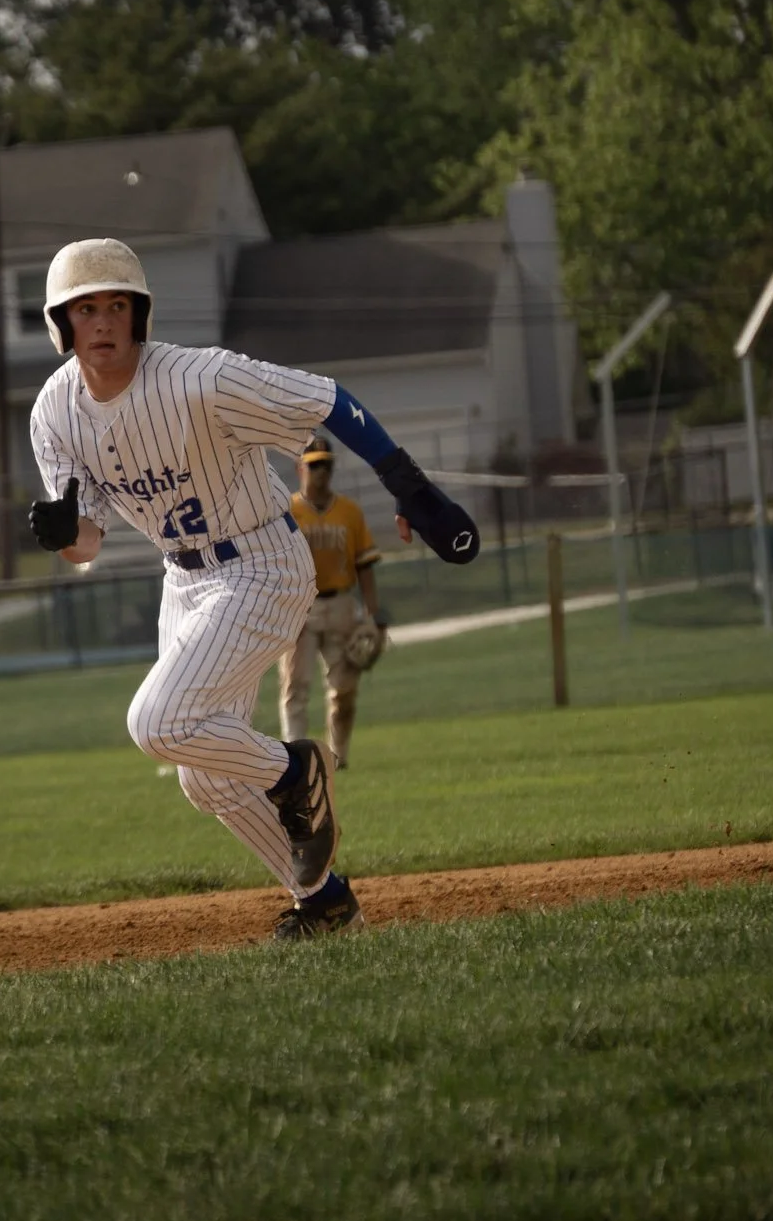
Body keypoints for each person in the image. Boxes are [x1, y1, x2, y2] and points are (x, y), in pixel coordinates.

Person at [25, 238, 476, 940]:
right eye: (87, 308)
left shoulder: (200, 378)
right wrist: (62, 533)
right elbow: (88, 541)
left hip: (262, 562)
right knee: (203, 775)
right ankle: (324, 902)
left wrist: (410, 487)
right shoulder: (55, 413)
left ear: (139, 313)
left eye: (118, 304)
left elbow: (329, 400)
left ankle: (297, 772)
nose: (105, 321)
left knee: (157, 724)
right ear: (62, 325)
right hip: (184, 578)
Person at [276, 435, 386, 769]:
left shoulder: (349, 512)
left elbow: (364, 564)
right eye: (314, 465)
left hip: (339, 604)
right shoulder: (286, 512)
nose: (321, 471)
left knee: (344, 689)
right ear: (300, 469)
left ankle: (338, 757)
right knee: (296, 687)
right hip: (299, 606)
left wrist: (372, 613)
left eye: (326, 464)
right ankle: (295, 762)